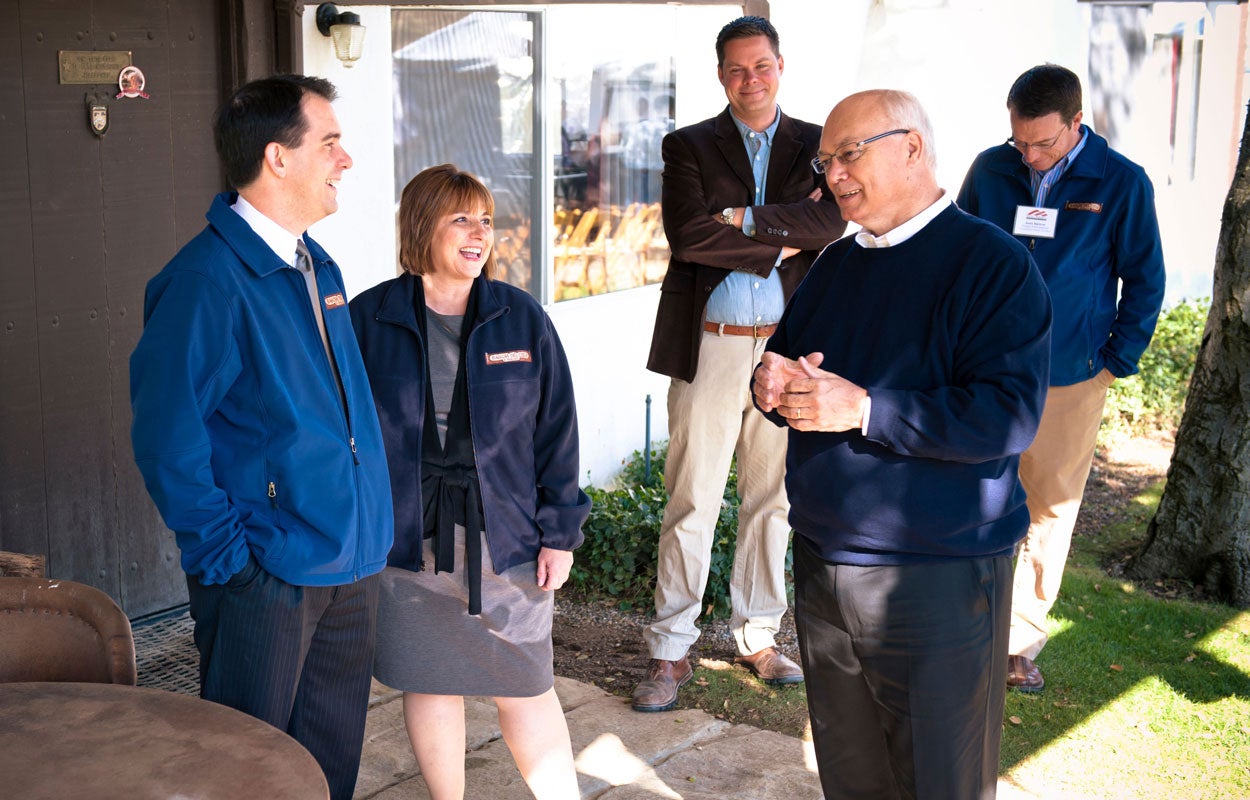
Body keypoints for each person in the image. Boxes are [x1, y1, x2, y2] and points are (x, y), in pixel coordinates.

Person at [752, 89, 1051, 798]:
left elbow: (1006, 417)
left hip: (935, 575)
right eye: (825, 161)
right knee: (851, 777)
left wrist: (866, 409)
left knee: (938, 780)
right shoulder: (835, 264)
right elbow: (791, 367)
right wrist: (771, 385)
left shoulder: (992, 264)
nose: (833, 174)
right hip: (824, 563)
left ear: (912, 147)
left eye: (849, 154)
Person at [129, 74, 393, 800]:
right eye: (330, 143)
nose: (345, 159)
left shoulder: (316, 264)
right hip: (267, 577)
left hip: (348, 563)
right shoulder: (205, 281)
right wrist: (231, 563)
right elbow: (166, 438)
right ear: (278, 157)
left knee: (329, 767)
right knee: (246, 772)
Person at [349, 164, 590, 800]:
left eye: (485, 219)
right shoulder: (369, 318)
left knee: (527, 685)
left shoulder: (521, 318)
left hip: (505, 536)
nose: (479, 233)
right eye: (461, 218)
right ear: (421, 225)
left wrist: (560, 534)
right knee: (430, 680)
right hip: (408, 538)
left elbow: (557, 432)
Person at [634, 15, 845, 713]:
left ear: (781, 66)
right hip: (712, 343)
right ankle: (671, 648)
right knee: (692, 497)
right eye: (735, 69)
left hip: (790, 345)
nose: (749, 80)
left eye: (761, 66)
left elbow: (831, 223)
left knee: (772, 498)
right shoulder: (688, 145)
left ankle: (757, 636)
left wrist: (741, 218)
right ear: (720, 74)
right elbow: (688, 236)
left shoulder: (818, 144)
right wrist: (783, 231)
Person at [957, 64, 1165, 694]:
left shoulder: (1122, 182)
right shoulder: (990, 170)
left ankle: (1020, 640)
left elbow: (1145, 280)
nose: (1029, 155)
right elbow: (958, 255)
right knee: (975, 494)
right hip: (987, 369)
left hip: (1071, 375)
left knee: (1049, 507)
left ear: (1077, 122)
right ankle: (968, 625)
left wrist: (1113, 362)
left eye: (1043, 143)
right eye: (1019, 140)